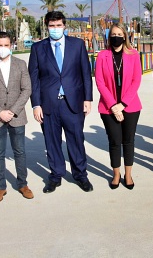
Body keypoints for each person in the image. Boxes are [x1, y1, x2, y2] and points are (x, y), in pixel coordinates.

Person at [28, 11, 94, 193]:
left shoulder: (77, 45)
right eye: (51, 26)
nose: (55, 29)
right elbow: (34, 79)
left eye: (58, 25)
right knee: (52, 142)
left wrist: (87, 99)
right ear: (46, 26)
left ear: (64, 26)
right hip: (49, 104)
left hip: (73, 103)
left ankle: (81, 175)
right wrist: (36, 104)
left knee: (76, 140)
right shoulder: (38, 48)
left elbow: (85, 74)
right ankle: (56, 175)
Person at [0, 32, 33, 203]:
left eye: (6, 45)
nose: (3, 48)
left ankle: (22, 184)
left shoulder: (20, 64)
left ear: (11, 46)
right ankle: (0, 186)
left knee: (20, 152)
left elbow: (26, 89)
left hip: (16, 116)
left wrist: (13, 110)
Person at [95, 23, 142, 190]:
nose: (116, 37)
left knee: (128, 141)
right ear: (109, 37)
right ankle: (116, 174)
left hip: (130, 106)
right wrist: (113, 105)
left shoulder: (134, 54)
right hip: (108, 107)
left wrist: (122, 104)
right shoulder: (102, 55)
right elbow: (100, 82)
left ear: (124, 36)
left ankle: (128, 174)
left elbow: (136, 80)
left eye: (119, 34)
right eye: (113, 34)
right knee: (115, 141)